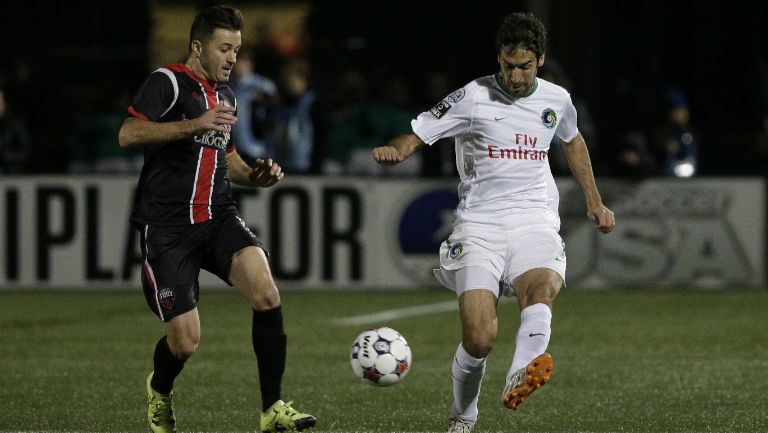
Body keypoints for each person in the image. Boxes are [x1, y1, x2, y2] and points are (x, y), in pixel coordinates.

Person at [372, 12, 615, 433]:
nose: (515, 76)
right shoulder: (472, 96)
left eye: (524, 66)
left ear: (540, 59)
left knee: (542, 289)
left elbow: (573, 141)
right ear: (498, 59)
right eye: (508, 65)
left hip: (534, 219)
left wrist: (594, 200)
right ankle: (463, 416)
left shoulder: (556, 100)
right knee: (480, 338)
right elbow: (417, 132)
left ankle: (522, 371)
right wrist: (397, 151)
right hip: (479, 226)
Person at [117, 6, 316, 433]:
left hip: (218, 215)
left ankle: (272, 410)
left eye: (237, 49)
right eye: (224, 48)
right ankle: (160, 389)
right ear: (197, 47)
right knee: (185, 343)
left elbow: (226, 158)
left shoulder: (225, 96)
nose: (232, 58)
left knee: (266, 292)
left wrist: (257, 175)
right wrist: (192, 124)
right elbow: (129, 133)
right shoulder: (167, 82)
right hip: (168, 227)